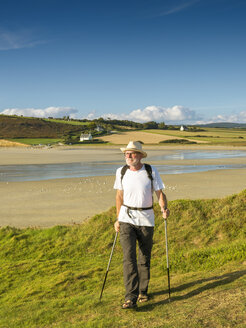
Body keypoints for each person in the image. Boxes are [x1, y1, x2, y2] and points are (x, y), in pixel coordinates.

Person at [114, 141, 170, 309]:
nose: (128, 156)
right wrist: (118, 219)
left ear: (139, 155)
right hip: (126, 218)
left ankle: (142, 291)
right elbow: (119, 196)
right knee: (128, 257)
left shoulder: (150, 170)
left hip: (146, 219)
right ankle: (130, 297)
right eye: (126, 154)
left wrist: (164, 208)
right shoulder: (121, 171)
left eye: (132, 154)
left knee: (144, 257)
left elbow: (159, 193)